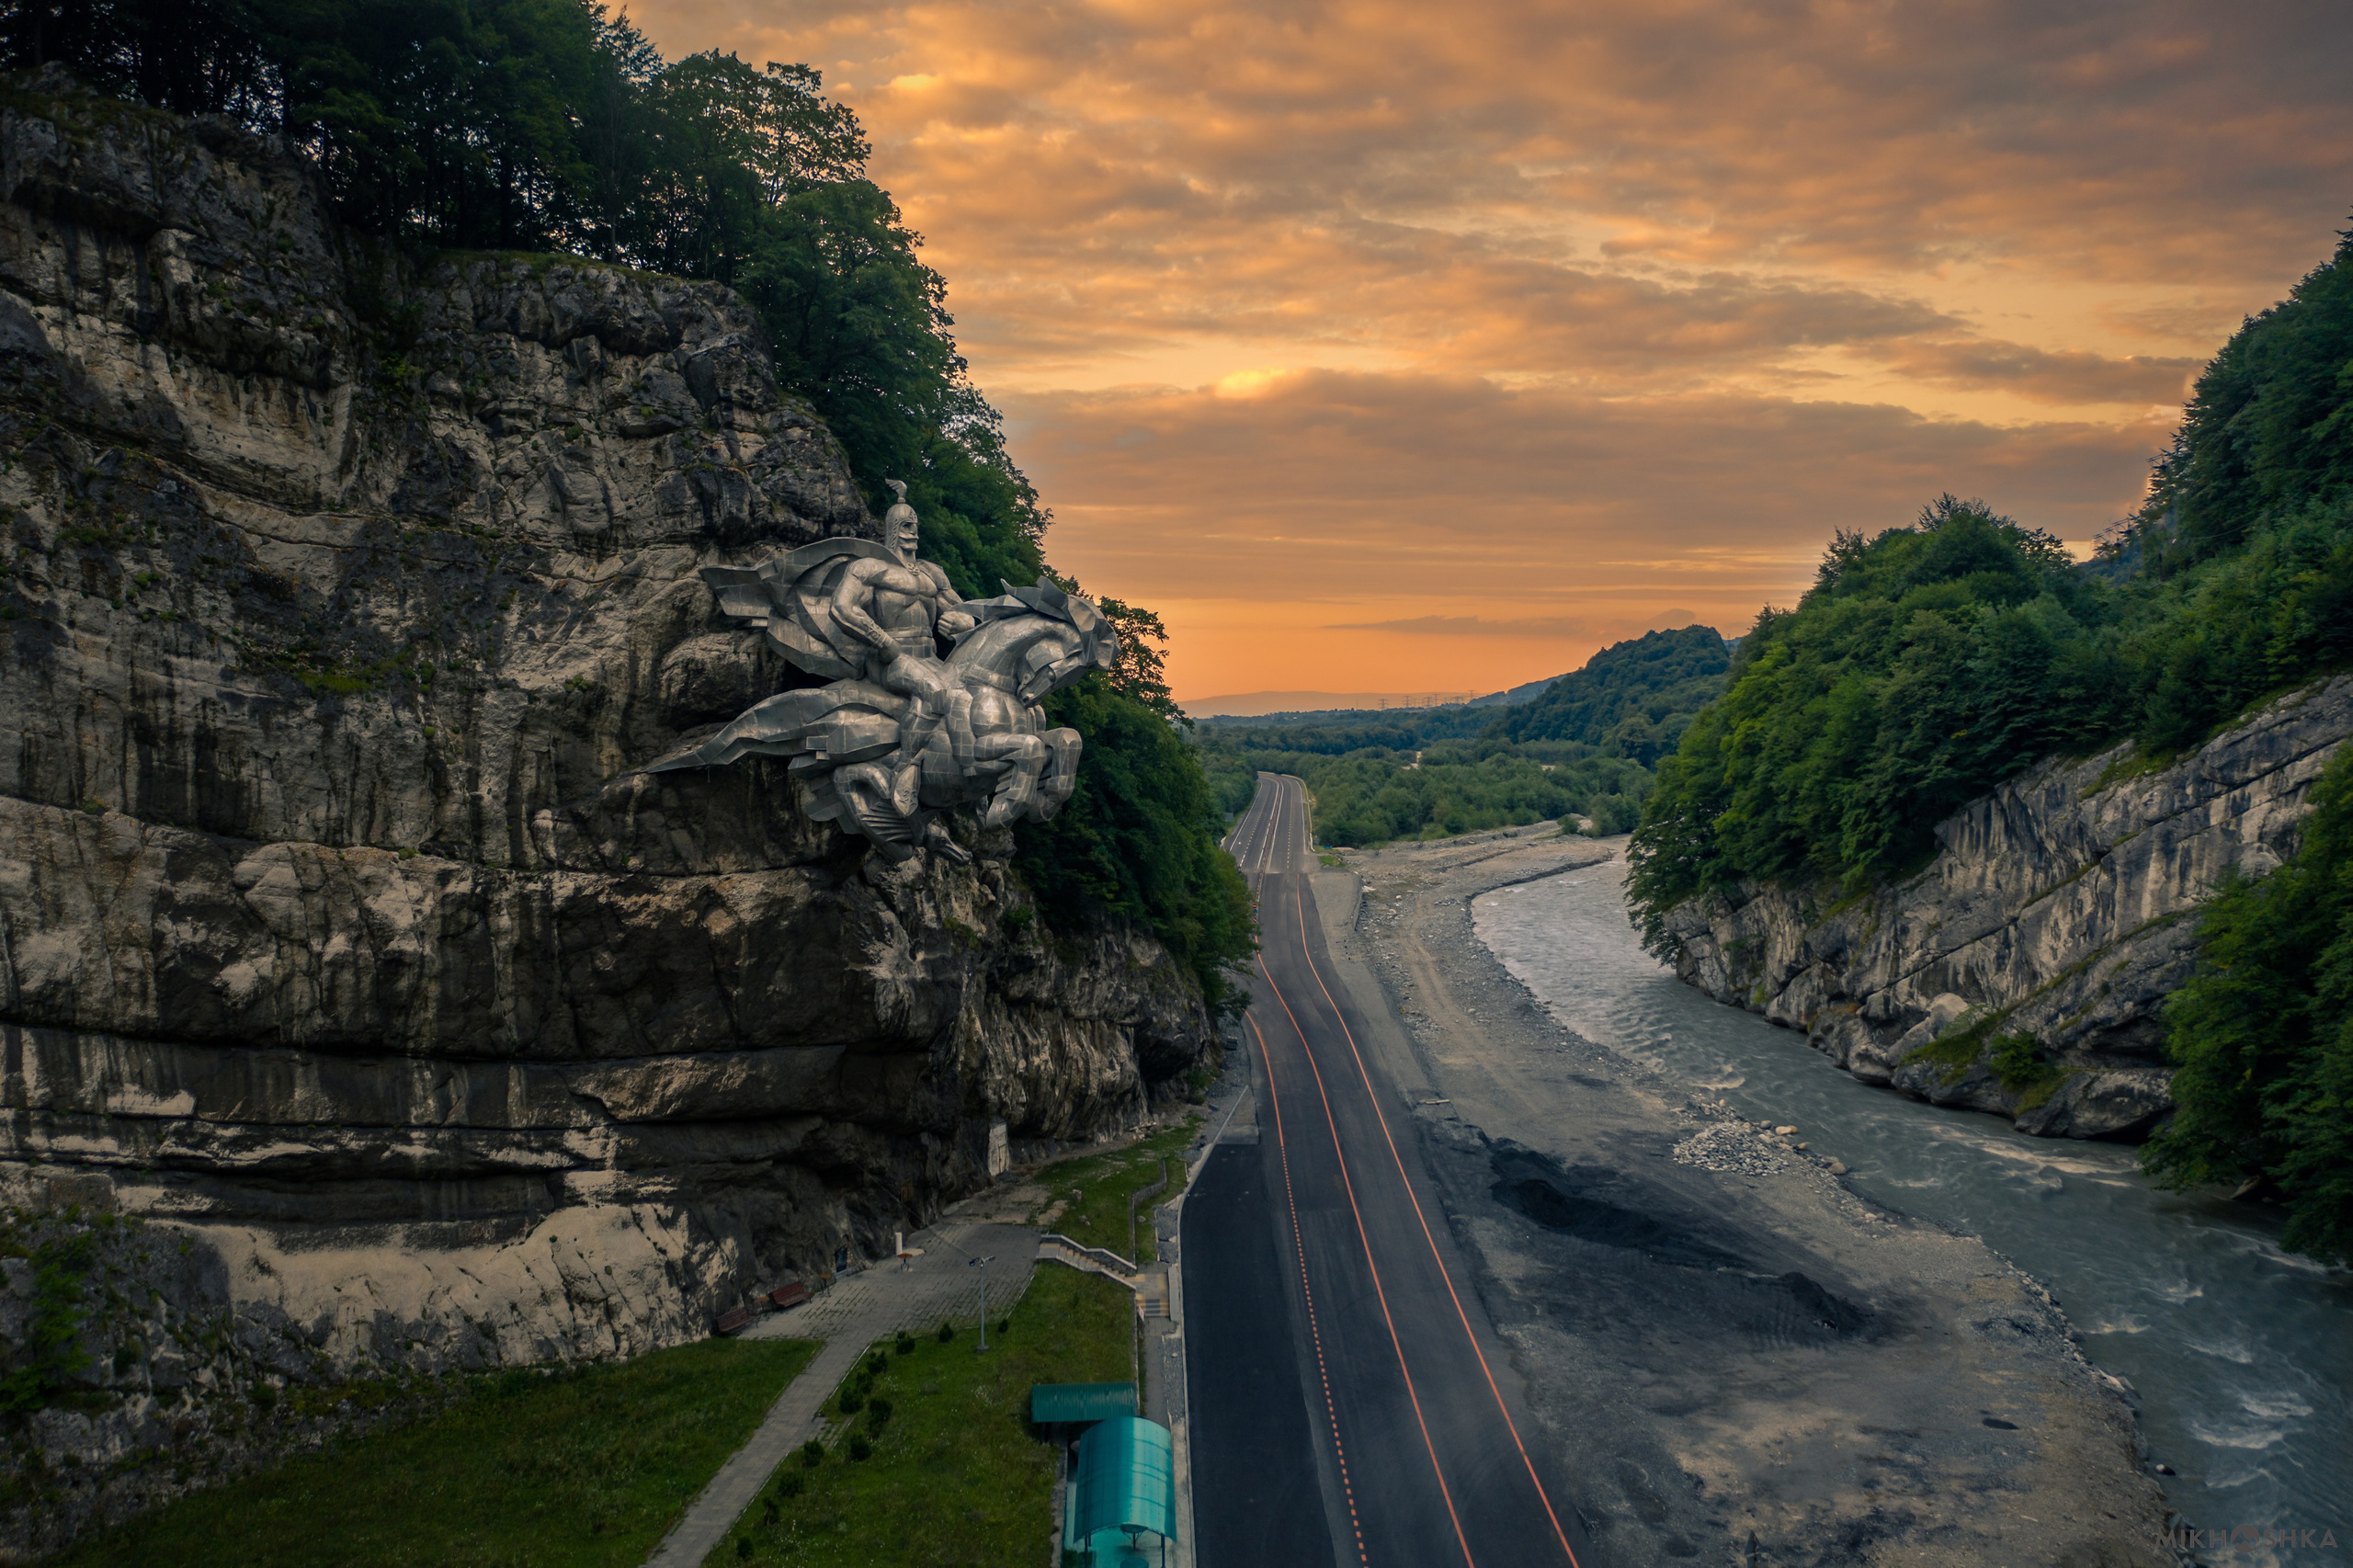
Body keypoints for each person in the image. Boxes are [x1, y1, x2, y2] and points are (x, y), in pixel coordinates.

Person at [827, 482, 976, 814]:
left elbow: (963, 612)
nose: (914, 532)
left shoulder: (933, 574)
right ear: (893, 529)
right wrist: (883, 641)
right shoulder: (869, 568)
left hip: (930, 657)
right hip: (890, 659)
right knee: (936, 691)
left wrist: (962, 625)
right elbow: (841, 608)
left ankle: (970, 778)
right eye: (907, 526)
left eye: (916, 526)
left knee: (976, 697)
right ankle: (906, 769)